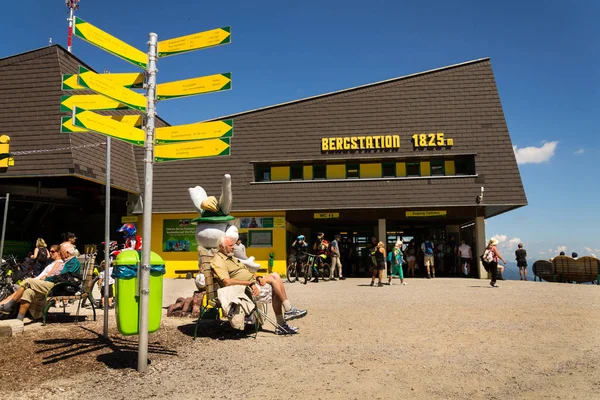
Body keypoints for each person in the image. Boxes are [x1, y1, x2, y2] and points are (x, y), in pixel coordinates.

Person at [211, 236, 307, 335]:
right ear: (222, 247)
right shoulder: (218, 260)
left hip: (252, 283)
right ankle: (284, 317)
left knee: (275, 276)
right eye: (230, 245)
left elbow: (248, 272)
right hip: (243, 290)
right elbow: (227, 282)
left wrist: (258, 277)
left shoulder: (231, 258)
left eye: (233, 245)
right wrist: (250, 283)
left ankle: (287, 313)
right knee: (275, 284)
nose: (233, 247)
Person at [0, 242, 81, 320]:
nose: (60, 254)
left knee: (28, 281)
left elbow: (62, 277)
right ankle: (19, 319)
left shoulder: (73, 262)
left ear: (67, 252)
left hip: (58, 287)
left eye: (61, 252)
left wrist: (47, 278)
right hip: (56, 285)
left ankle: (9, 305)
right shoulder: (67, 262)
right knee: (28, 292)